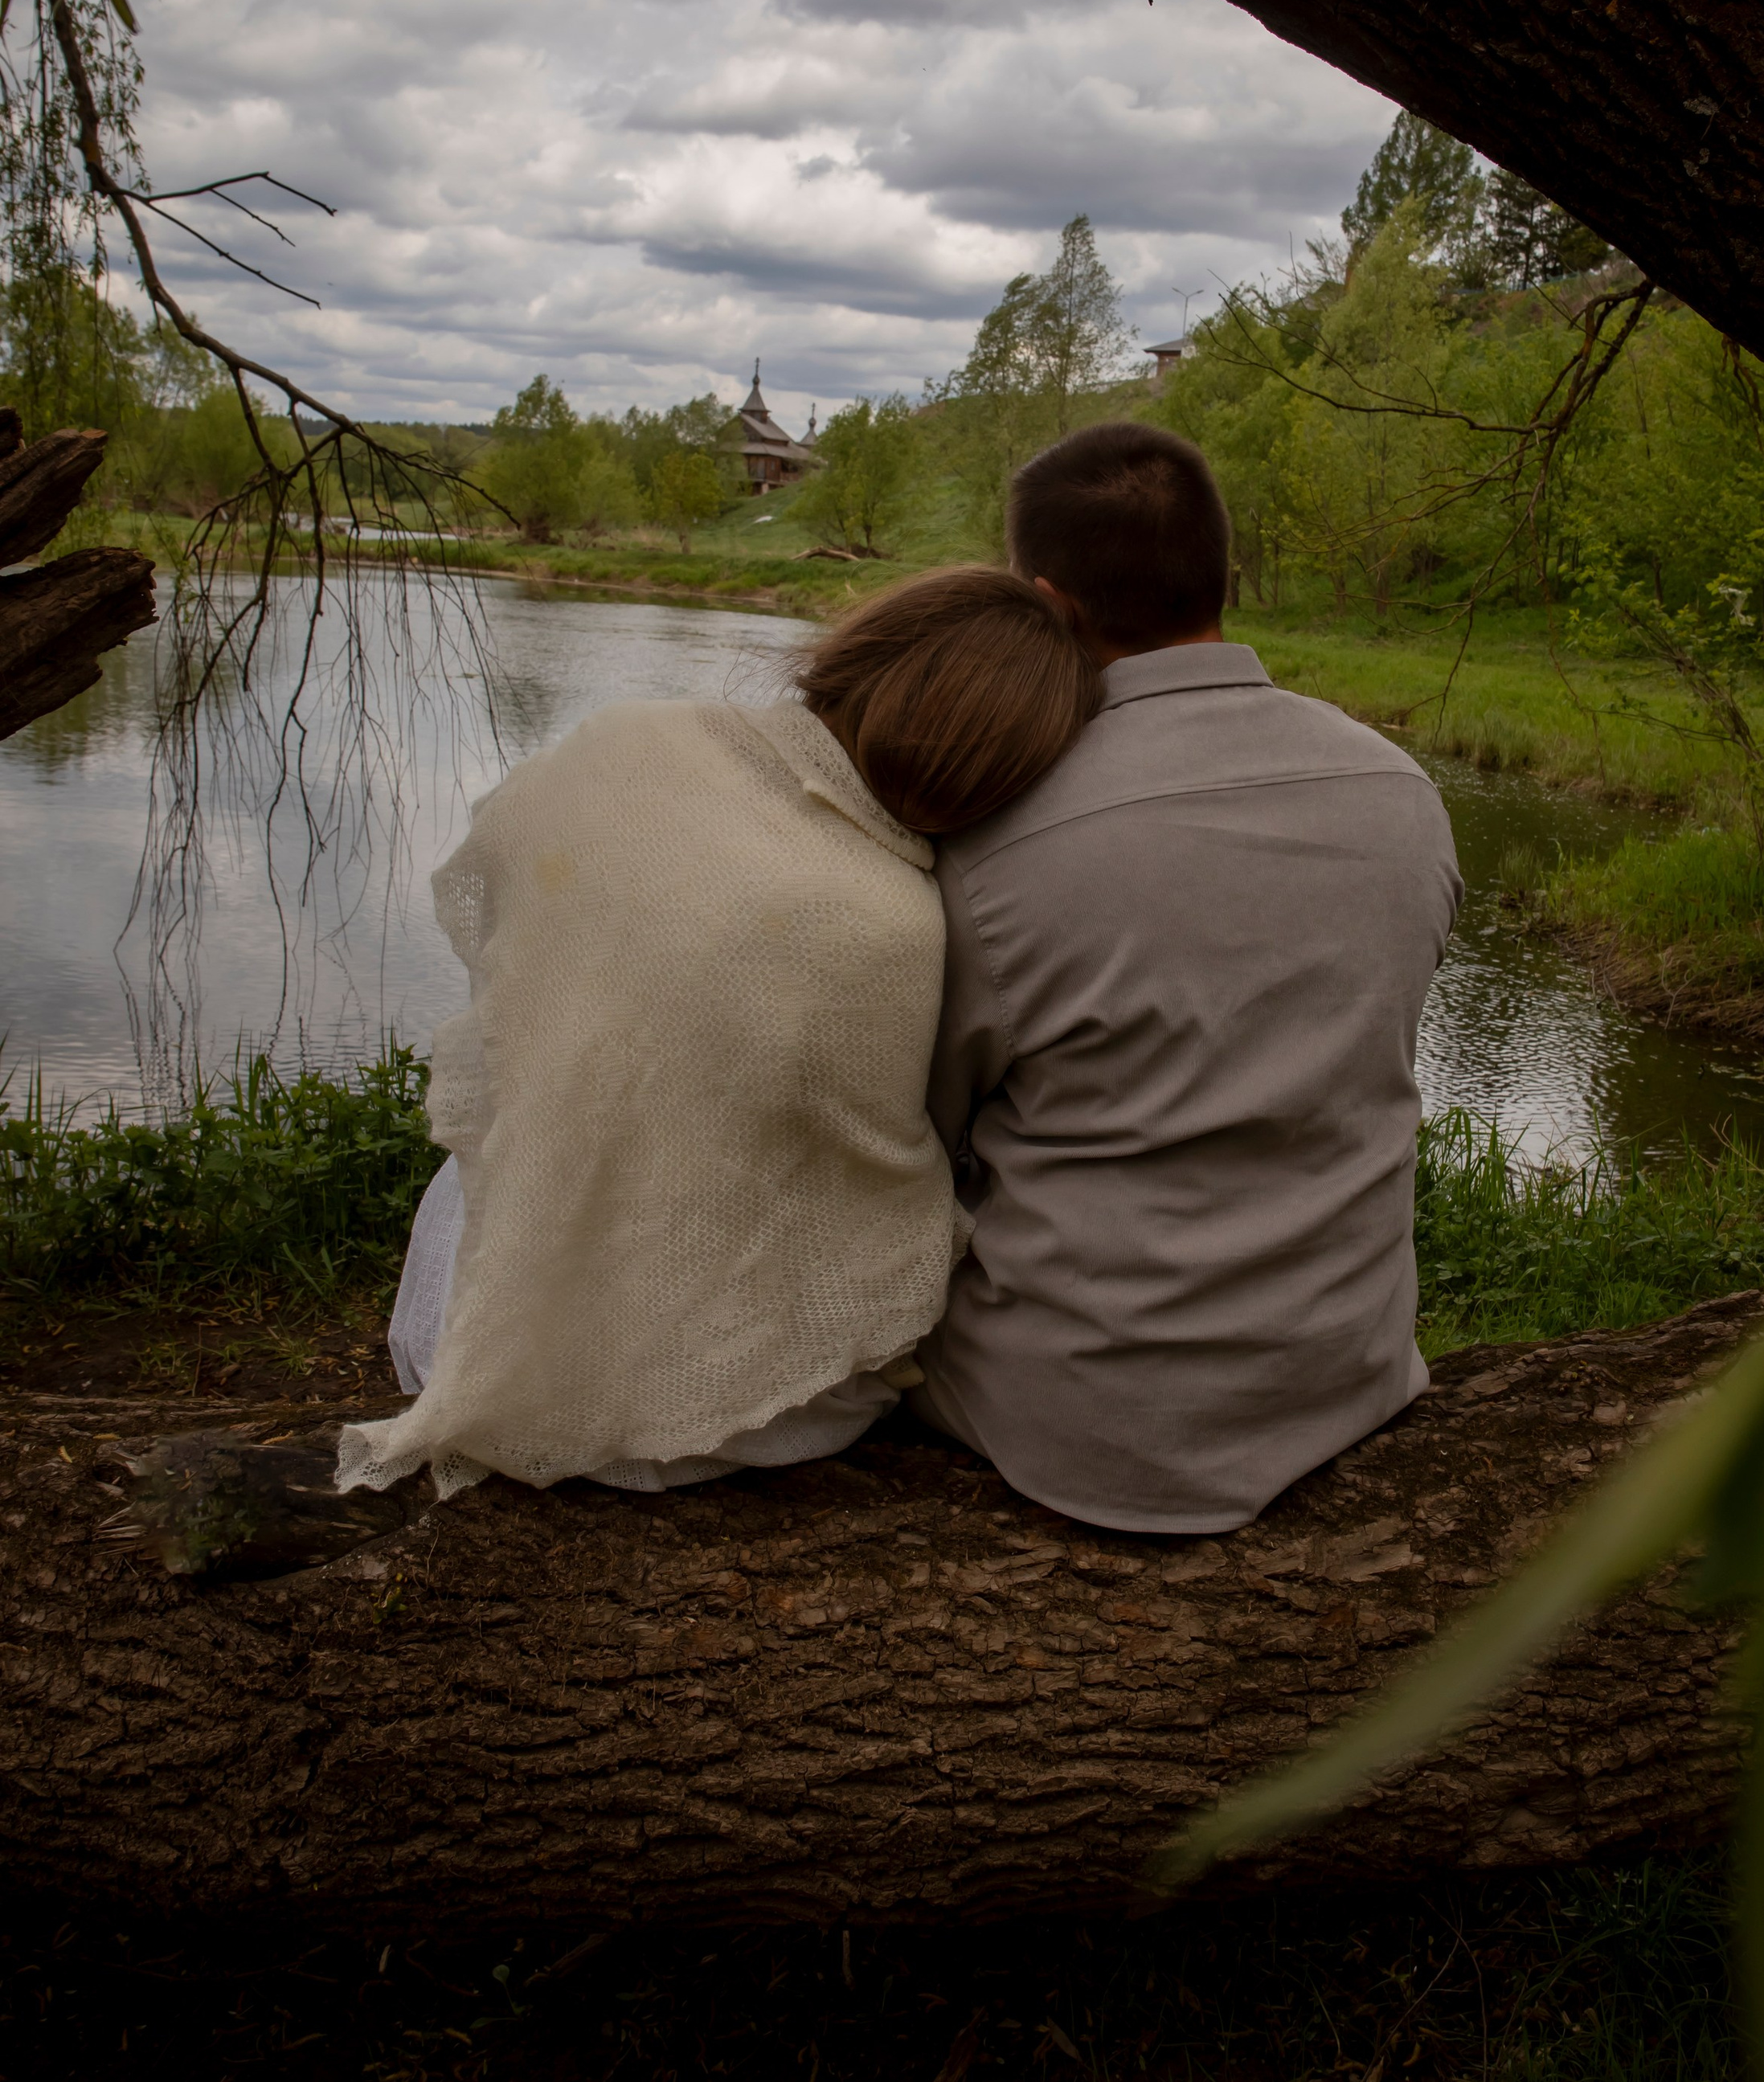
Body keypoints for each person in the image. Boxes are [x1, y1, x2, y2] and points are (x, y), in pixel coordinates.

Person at [336, 569, 1100, 1503]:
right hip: (729, 1422)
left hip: (455, 1316)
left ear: (854, 656)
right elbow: (879, 1174)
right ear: (1001, 780)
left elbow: (503, 914)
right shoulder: (892, 924)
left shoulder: (625, 741)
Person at [914, 421, 1462, 1534]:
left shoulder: (993, 839)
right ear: (1226, 576)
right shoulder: (1404, 793)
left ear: (1048, 605)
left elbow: (928, 1131)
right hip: (1347, 1377)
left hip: (1080, 1430)